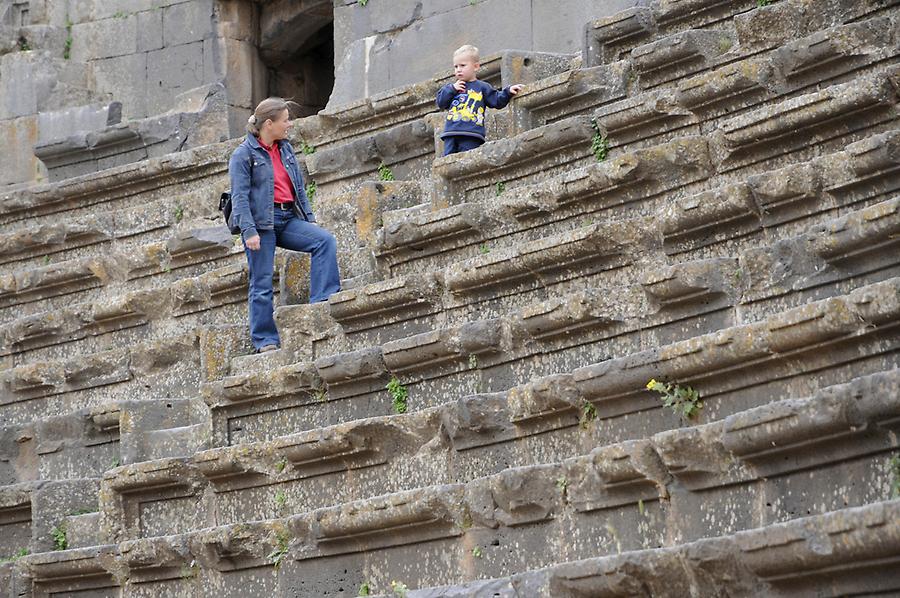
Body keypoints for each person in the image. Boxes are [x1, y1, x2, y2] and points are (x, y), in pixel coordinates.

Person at [228, 97, 341, 353]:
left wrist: (309, 218)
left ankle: (322, 301)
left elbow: (298, 188)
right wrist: (249, 231)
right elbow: (239, 197)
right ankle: (265, 340)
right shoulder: (243, 155)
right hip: (260, 225)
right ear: (269, 124)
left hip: (287, 218)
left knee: (324, 241)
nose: (289, 124)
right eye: (285, 120)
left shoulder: (285, 148)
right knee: (262, 282)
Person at [435, 44, 524, 156]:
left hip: (471, 134)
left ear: (476, 67)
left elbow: (496, 100)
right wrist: (452, 89)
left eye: (462, 65)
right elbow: (441, 103)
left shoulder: (482, 87)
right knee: (448, 160)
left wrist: (508, 92)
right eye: (456, 66)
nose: (458, 70)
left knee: (468, 158)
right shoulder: (451, 88)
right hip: (451, 133)